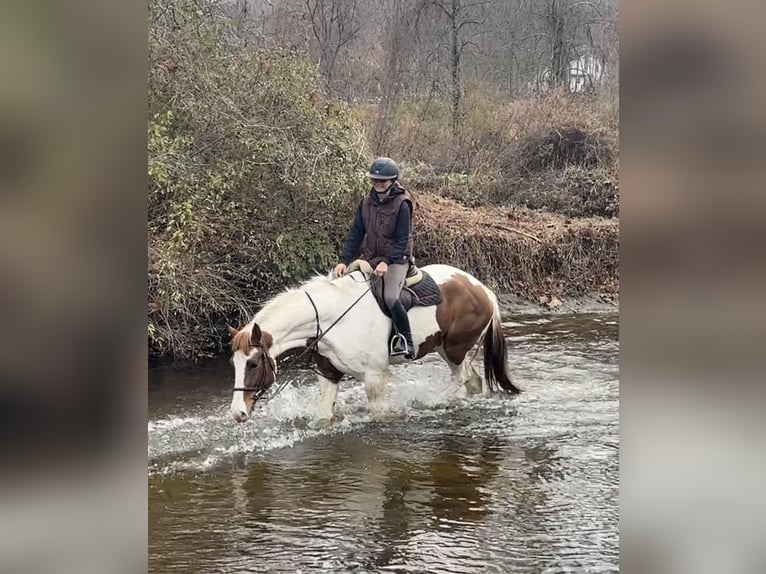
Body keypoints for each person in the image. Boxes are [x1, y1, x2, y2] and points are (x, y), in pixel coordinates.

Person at [333, 157, 415, 359]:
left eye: (383, 181)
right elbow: (356, 234)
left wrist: (386, 262)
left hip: (396, 259)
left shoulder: (402, 204)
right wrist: (343, 260)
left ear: (393, 180)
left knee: (390, 297)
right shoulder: (366, 203)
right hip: (370, 257)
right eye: (375, 180)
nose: (378, 184)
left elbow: (402, 239)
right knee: (341, 286)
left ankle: (405, 339)